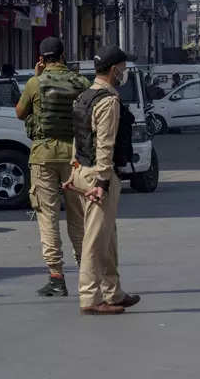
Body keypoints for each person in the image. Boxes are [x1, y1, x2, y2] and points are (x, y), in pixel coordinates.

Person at [65, 45, 141, 315]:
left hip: (82, 172)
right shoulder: (108, 100)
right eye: (122, 69)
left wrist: (75, 169)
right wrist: (102, 182)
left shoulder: (85, 96)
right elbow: (104, 145)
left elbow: (78, 136)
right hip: (100, 176)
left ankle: (113, 292)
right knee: (96, 240)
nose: (123, 73)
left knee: (108, 237)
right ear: (113, 70)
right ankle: (90, 297)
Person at [15, 37, 91, 297]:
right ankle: (86, 273)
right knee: (78, 217)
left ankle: (57, 277)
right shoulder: (81, 82)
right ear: (63, 55)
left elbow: (20, 112)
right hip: (75, 157)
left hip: (44, 155)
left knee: (47, 216)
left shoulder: (35, 82)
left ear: (42, 58)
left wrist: (37, 76)